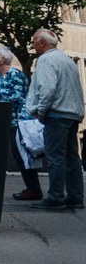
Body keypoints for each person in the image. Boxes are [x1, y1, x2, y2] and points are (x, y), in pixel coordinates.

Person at [31, 29, 85, 211]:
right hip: (72, 113)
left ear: (41, 42)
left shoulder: (46, 60)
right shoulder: (66, 60)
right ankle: (75, 196)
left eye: (34, 41)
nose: (32, 44)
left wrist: (41, 111)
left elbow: (47, 88)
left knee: (55, 157)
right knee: (72, 157)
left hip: (56, 114)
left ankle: (55, 197)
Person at [0, 47, 42, 202]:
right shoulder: (0, 76)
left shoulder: (14, 74)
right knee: (18, 154)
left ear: (1, 59)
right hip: (10, 120)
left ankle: (33, 189)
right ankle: (32, 188)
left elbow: (18, 97)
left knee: (22, 154)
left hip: (20, 119)